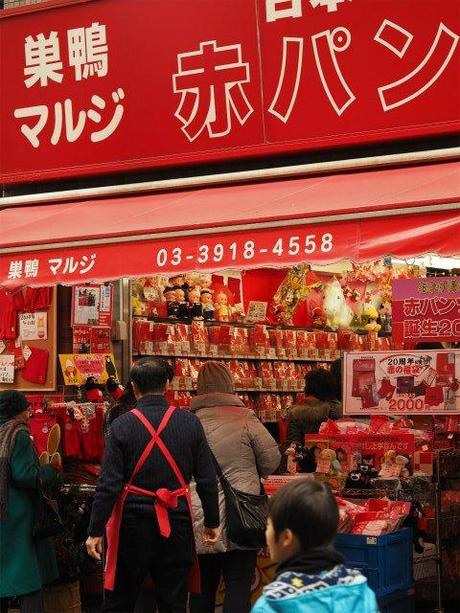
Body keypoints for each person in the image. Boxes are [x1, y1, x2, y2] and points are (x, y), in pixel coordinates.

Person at [86, 358, 220, 613]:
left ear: (134, 387)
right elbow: (206, 478)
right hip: (176, 523)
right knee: (173, 603)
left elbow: (109, 484)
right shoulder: (190, 423)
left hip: (130, 527)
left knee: (119, 601)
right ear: (167, 384)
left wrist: (95, 529)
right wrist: (212, 521)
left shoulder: (122, 425)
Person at [189, 362, 281, 613]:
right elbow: (271, 461)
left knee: (202, 585)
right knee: (238, 582)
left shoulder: (187, 422)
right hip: (243, 513)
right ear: (230, 386)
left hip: (200, 514)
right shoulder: (246, 418)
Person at [253, 479, 378, 613]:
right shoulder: (359, 589)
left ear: (286, 537)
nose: (266, 533)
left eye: (268, 526)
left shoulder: (272, 603)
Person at [0, 391, 59, 613]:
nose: (29, 412)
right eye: (25, 408)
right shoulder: (19, 435)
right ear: (15, 411)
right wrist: (50, 471)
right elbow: (26, 475)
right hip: (17, 515)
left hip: (4, 513)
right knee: (28, 577)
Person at [288, 368, 341, 445]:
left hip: (305, 455)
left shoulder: (296, 413)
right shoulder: (339, 410)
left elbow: (293, 443)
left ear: (308, 388)